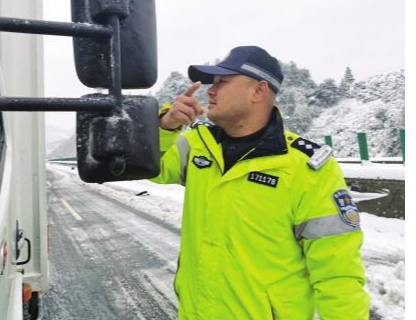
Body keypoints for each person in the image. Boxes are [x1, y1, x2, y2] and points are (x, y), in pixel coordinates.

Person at [153, 46, 370, 320]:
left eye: (222, 82)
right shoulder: (196, 145)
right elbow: (152, 169)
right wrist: (166, 127)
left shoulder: (306, 167)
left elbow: (337, 274)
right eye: (212, 83)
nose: (210, 90)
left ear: (258, 91)